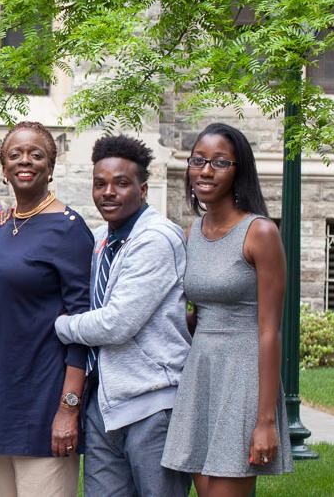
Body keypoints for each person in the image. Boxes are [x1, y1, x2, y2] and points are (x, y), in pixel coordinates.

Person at [53, 134, 192, 497]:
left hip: (152, 404)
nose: (108, 192)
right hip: (104, 406)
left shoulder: (157, 238)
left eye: (121, 183)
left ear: (143, 190)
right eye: (100, 184)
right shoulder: (102, 238)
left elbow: (116, 323)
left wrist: (61, 326)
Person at [162, 123, 292, 496]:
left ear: (240, 171)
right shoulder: (193, 231)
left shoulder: (260, 233)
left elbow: (269, 330)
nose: (205, 170)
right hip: (201, 375)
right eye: (198, 160)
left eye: (220, 162)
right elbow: (197, 313)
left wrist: (265, 420)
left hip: (243, 376)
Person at [0, 121, 93, 497]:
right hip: (0, 399)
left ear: (51, 166)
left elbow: (81, 326)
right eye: (15, 155)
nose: (25, 161)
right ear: (4, 167)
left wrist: (68, 408)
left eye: (36, 154)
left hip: (44, 403)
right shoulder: (3, 227)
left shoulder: (68, 228)